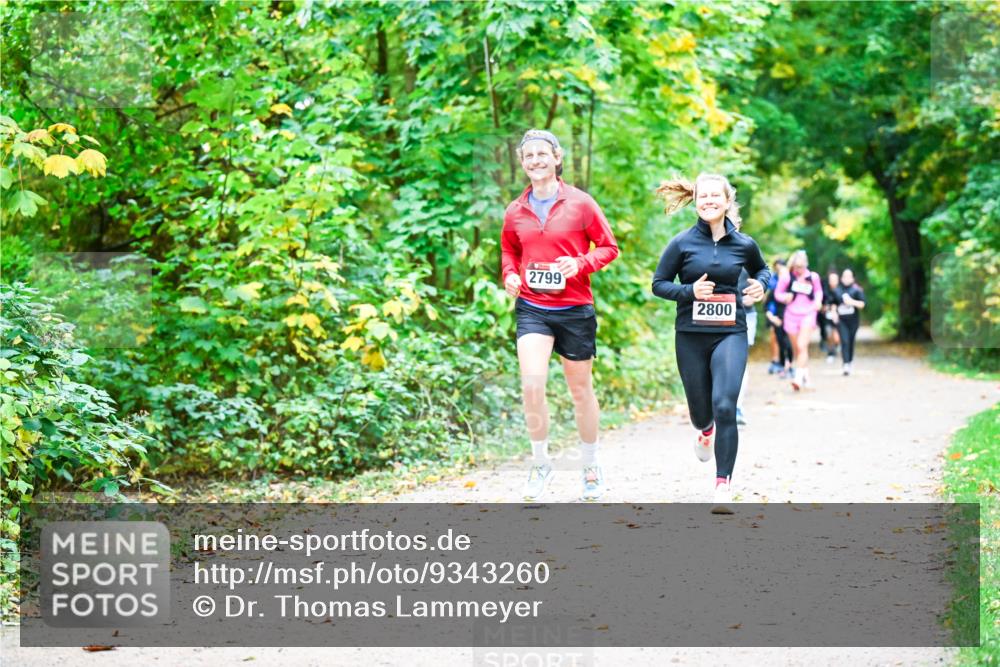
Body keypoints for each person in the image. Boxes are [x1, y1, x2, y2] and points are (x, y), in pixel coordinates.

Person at [501, 129, 620, 502]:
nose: (535, 161)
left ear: (556, 158)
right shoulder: (514, 210)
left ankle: (589, 466)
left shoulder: (581, 203)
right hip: (533, 307)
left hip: (574, 309)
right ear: (523, 163)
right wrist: (510, 274)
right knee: (532, 383)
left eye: (541, 154)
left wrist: (580, 263)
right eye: (528, 156)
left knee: (580, 390)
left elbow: (609, 248)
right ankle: (540, 463)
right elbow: (508, 251)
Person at [651, 173, 769, 514]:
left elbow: (763, 272)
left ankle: (722, 485)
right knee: (702, 412)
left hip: (730, 332)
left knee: (725, 405)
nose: (709, 201)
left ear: (727, 200)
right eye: (703, 196)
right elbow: (659, 284)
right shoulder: (681, 243)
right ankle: (705, 431)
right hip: (690, 336)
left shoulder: (744, 244)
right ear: (696, 200)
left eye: (716, 196)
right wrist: (689, 291)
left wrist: (761, 286)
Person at [775, 250, 822, 391]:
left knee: (802, 345)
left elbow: (819, 291)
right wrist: (785, 297)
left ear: (806, 264)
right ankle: (806, 376)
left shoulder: (813, 277)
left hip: (808, 313)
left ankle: (797, 379)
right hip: (791, 316)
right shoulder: (787, 277)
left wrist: (818, 301)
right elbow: (777, 293)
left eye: (802, 266)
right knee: (798, 349)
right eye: (797, 267)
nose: (799, 270)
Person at [735, 269, 760, 426]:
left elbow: (762, 279)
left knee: (739, 361)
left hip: (746, 315)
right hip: (717, 316)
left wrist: (755, 295)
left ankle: (737, 407)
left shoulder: (746, 251)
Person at [834, 268, 866, 375]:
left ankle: (850, 361)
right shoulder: (837, 290)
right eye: (844, 276)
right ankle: (845, 364)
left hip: (853, 321)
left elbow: (862, 304)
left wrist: (851, 302)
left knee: (851, 341)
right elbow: (833, 303)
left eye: (849, 276)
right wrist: (834, 313)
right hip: (841, 321)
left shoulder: (857, 290)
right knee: (844, 341)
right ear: (841, 278)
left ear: (852, 278)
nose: (847, 279)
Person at [764, 259, 792, 377]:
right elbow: (766, 305)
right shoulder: (774, 290)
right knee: (780, 342)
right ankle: (780, 365)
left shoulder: (794, 289)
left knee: (789, 344)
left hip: (791, 320)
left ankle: (789, 366)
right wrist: (772, 317)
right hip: (778, 319)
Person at [821, 270, 841, 363]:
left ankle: (837, 346)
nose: (833, 281)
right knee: (829, 335)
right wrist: (824, 308)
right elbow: (821, 304)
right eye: (831, 279)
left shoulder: (841, 290)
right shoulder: (825, 291)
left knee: (837, 337)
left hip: (839, 317)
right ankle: (830, 353)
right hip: (827, 318)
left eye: (835, 279)